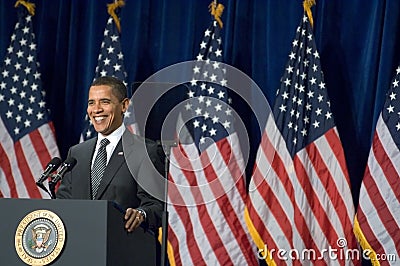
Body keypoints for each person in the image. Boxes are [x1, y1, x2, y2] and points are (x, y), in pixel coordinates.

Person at [56, 76, 164, 233]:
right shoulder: (77, 153)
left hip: (121, 246)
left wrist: (141, 214)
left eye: (105, 102)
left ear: (124, 105)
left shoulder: (144, 151)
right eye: (91, 103)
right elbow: (63, 202)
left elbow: (156, 205)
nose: (96, 109)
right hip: (78, 245)